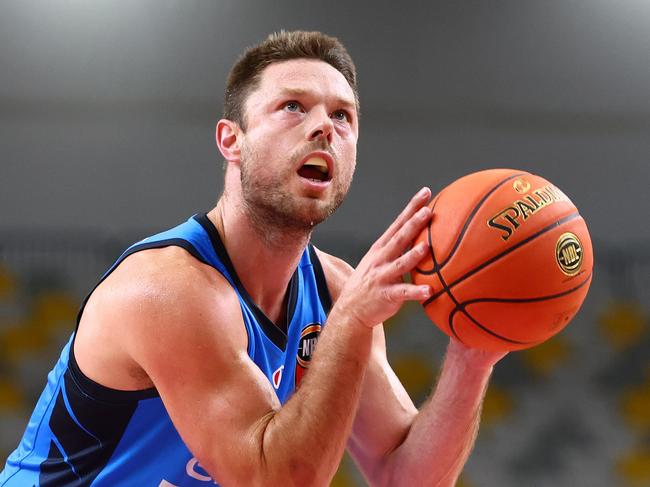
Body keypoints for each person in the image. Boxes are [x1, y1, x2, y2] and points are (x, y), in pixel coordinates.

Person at [1, 31, 505, 487]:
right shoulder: (169, 289)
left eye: (342, 116)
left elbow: (406, 478)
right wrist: (351, 320)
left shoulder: (336, 291)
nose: (324, 128)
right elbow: (274, 482)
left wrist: (474, 351)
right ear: (231, 140)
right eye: (292, 106)